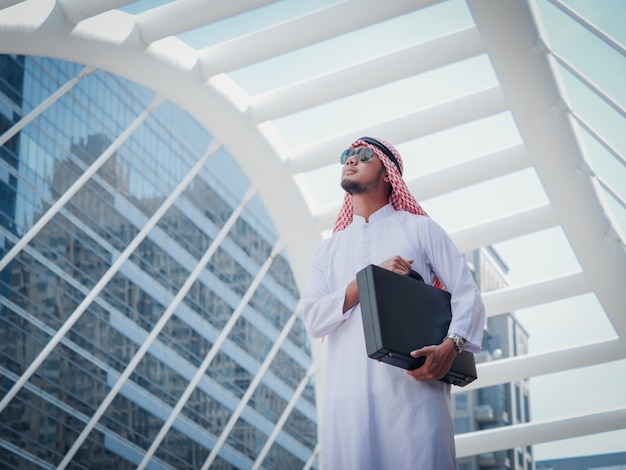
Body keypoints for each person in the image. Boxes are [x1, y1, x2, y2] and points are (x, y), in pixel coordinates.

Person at [301, 137, 486, 469]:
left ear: (388, 173)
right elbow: (314, 319)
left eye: (364, 155)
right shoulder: (327, 250)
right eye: (347, 155)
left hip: (414, 395)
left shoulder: (420, 229)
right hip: (348, 402)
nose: (351, 160)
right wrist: (368, 280)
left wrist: (451, 347)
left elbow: (467, 294)